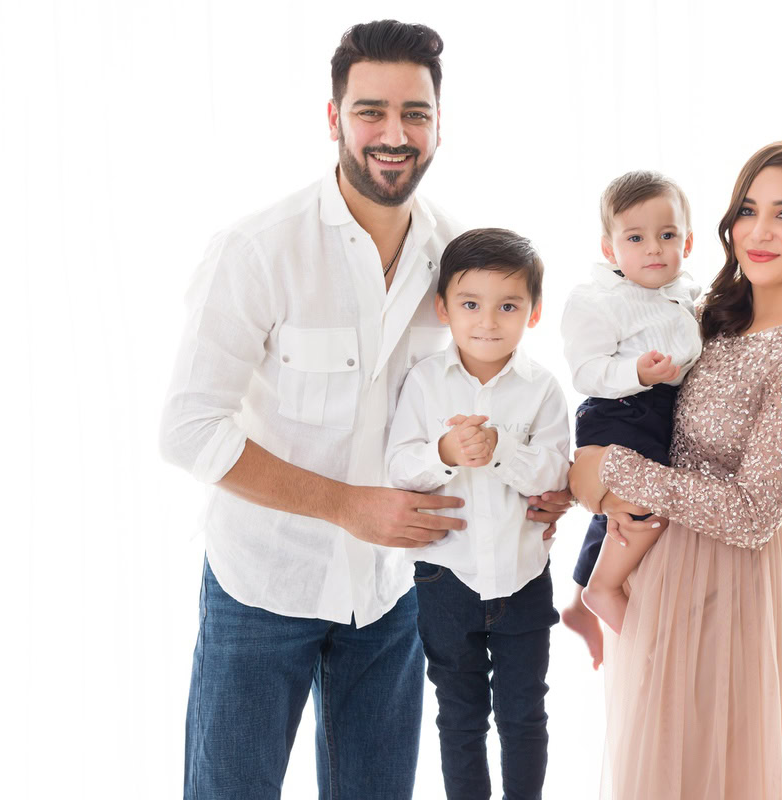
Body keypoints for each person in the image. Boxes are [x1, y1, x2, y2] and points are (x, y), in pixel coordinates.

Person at [159, 21, 571, 798]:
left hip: (393, 595)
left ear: (440, 125)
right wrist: (345, 506)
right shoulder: (259, 251)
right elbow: (187, 430)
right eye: (370, 111)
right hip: (262, 585)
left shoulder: (460, 264)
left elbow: (499, 399)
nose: (393, 133)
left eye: (415, 113)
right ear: (333, 119)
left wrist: (537, 486)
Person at [569, 140, 782, 799]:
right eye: (748, 210)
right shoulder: (713, 314)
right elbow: (635, 408)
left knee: (711, 772)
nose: (759, 232)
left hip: (729, 582)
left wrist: (612, 468)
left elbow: (754, 513)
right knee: (657, 768)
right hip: (657, 566)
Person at [386, 228, 569, 800]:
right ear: (443, 309)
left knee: (524, 716)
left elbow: (556, 476)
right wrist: (445, 453)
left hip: (523, 578)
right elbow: (398, 467)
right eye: (470, 304)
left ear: (532, 313)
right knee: (459, 718)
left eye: (508, 306)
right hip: (446, 580)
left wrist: (501, 451)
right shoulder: (424, 382)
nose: (488, 321)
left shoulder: (542, 390)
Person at [559, 170, 700, 649]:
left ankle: (578, 599)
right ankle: (603, 588)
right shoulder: (600, 300)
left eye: (667, 235)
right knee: (641, 502)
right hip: (620, 407)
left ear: (688, 240)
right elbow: (585, 371)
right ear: (609, 249)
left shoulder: (685, 293)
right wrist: (636, 372)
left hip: (659, 409)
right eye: (635, 238)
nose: (654, 249)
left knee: (611, 514)